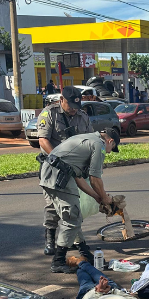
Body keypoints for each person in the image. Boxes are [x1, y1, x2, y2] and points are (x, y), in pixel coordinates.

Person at [39, 129, 120, 273]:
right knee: (72, 217)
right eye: (111, 149)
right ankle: (58, 261)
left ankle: (84, 253)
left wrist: (97, 197)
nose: (108, 153)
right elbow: (95, 179)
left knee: (74, 216)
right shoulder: (99, 145)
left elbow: (79, 178)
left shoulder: (86, 138)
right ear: (110, 141)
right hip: (58, 177)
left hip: (51, 173)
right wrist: (106, 199)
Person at [37, 86, 93, 257]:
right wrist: (59, 158)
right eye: (71, 105)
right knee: (52, 205)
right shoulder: (49, 114)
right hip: (53, 168)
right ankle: (50, 239)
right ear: (62, 100)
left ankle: (74, 240)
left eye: (77, 106)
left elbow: (89, 140)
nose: (74, 110)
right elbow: (43, 140)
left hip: (73, 169)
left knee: (74, 206)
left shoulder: (82, 116)